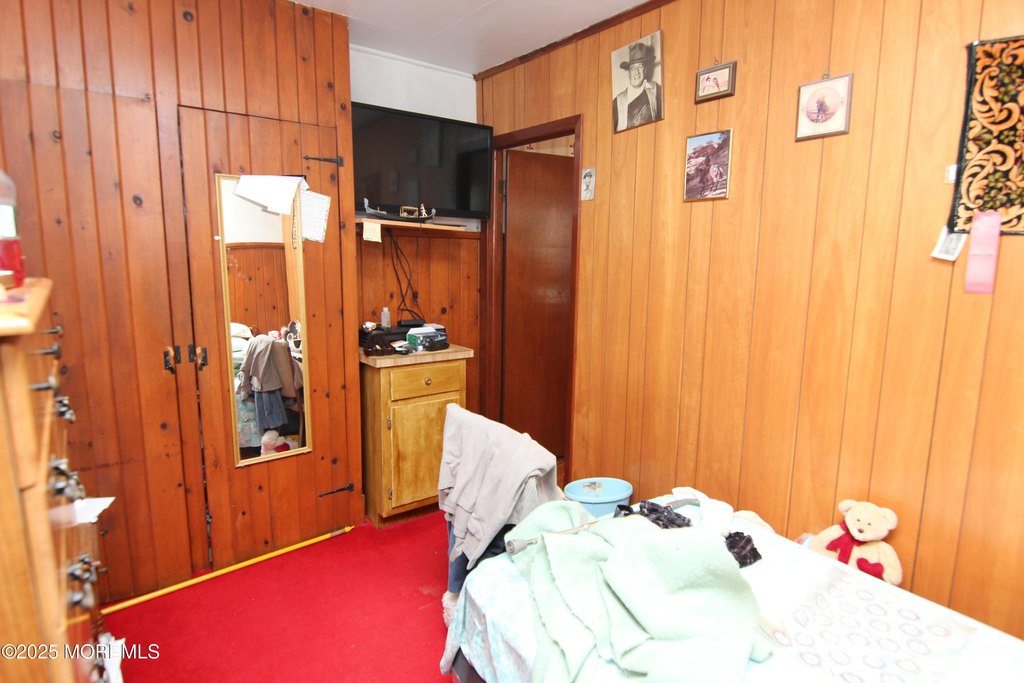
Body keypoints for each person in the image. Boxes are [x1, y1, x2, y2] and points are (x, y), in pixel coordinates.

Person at [612, 41, 663, 132]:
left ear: (645, 69)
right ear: (629, 72)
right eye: (633, 68)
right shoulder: (618, 102)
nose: (637, 72)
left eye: (640, 66)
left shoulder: (655, 91)